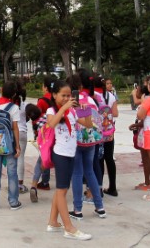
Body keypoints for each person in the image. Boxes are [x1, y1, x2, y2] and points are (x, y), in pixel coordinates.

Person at [45, 79, 92, 240]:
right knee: (62, 191)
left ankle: (52, 222)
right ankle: (69, 228)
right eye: (63, 95)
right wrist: (64, 108)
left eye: (69, 95)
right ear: (54, 95)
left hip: (71, 153)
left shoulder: (72, 111)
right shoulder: (52, 110)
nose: (66, 98)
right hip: (61, 154)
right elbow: (51, 124)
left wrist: (86, 112)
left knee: (61, 190)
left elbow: (88, 125)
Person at [69, 73, 107, 220]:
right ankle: (100, 207)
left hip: (76, 142)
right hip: (91, 140)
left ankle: (77, 209)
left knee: (77, 174)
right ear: (80, 87)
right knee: (90, 171)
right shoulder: (91, 99)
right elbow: (96, 119)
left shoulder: (69, 103)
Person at [0, 80, 21, 210]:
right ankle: (13, 202)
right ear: (13, 94)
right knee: (12, 173)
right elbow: (15, 128)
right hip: (9, 145)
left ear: (1, 91)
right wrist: (18, 146)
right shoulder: (14, 108)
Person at [100, 76, 119, 196]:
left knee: (99, 159)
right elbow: (116, 113)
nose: (109, 85)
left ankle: (98, 187)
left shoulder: (96, 96)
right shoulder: (111, 97)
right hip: (109, 130)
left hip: (98, 131)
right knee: (109, 158)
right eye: (107, 83)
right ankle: (113, 187)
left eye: (110, 83)